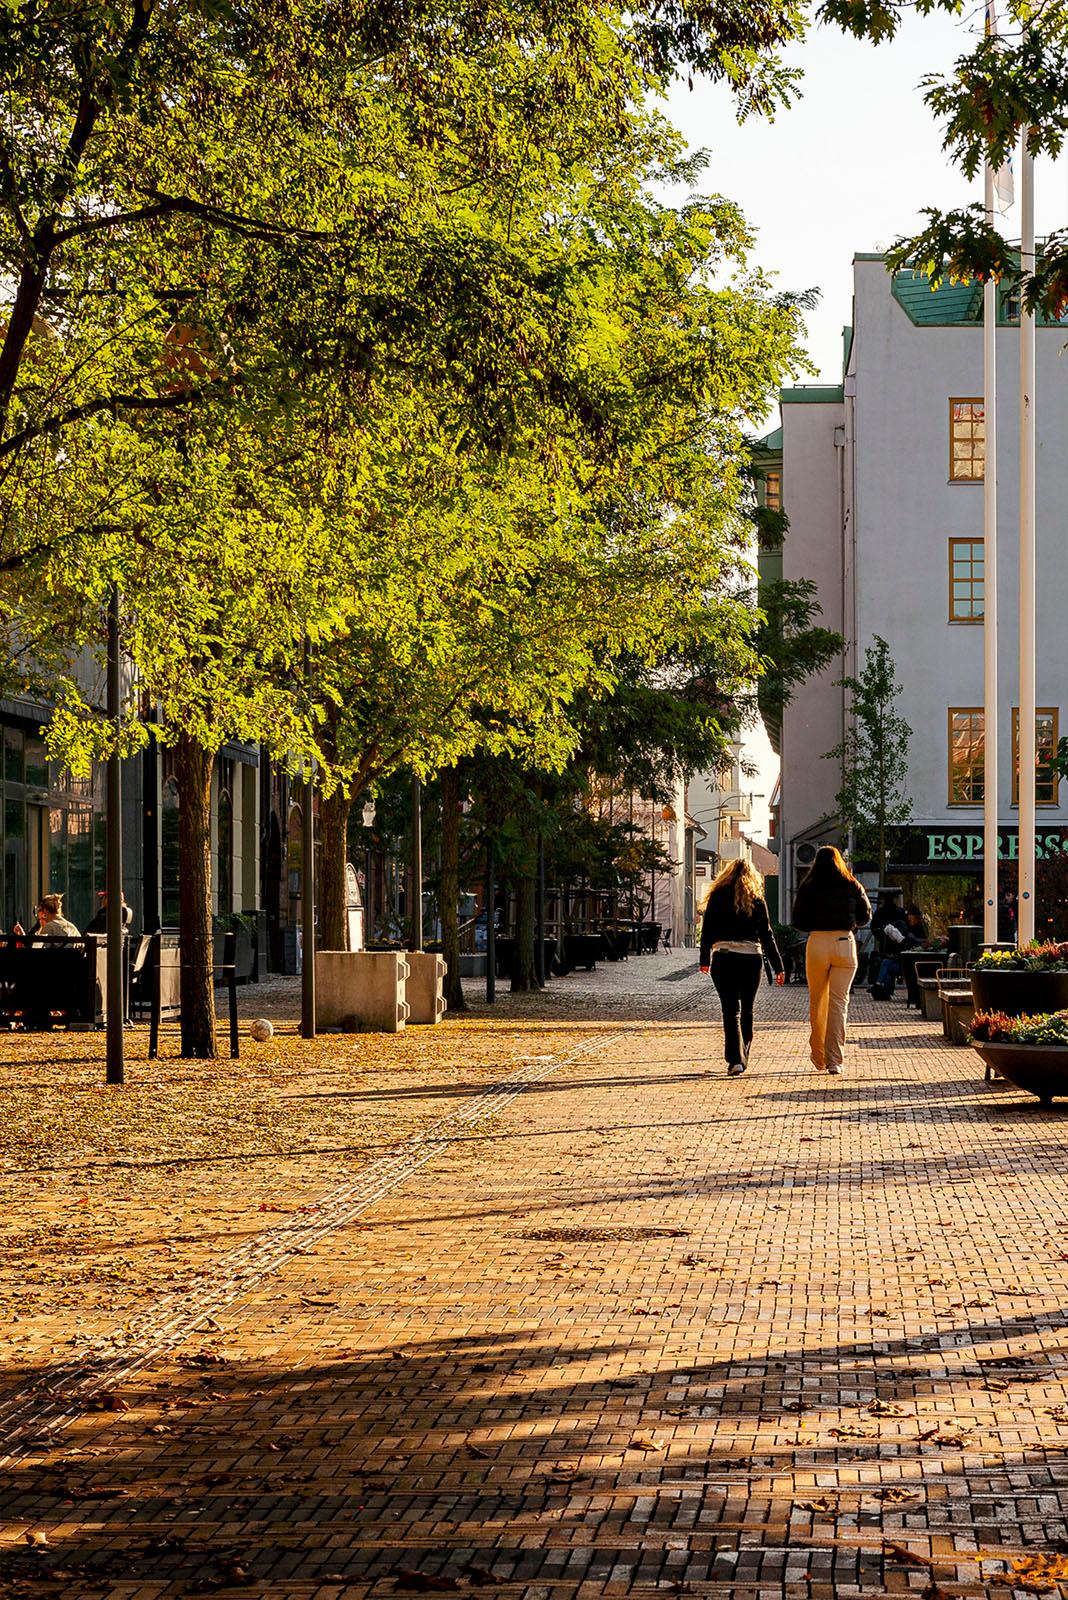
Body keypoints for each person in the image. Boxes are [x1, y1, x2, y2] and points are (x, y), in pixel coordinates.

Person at [699, 858, 785, 1077]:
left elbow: (707, 929)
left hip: (723, 958)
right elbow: (767, 935)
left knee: (730, 1011)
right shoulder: (757, 899)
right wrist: (778, 967)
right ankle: (742, 1055)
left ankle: (736, 1060)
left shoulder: (717, 897)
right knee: (747, 1009)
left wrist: (704, 960)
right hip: (750, 959)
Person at [792, 846, 871, 1076]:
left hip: (817, 943)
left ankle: (819, 1056)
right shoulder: (852, 883)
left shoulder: (808, 886)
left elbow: (798, 919)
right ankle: (835, 1060)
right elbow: (865, 915)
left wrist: (816, 926)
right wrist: (850, 922)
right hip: (844, 942)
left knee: (818, 1000)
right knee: (839, 1003)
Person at [14, 893, 81, 940]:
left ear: (45, 912)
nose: (40, 922)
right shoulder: (72, 928)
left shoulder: (49, 927)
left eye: (42, 918)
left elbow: (36, 950)